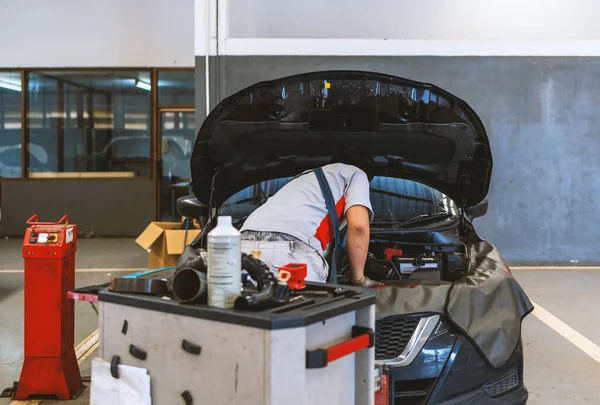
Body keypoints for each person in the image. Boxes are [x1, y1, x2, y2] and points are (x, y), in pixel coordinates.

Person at [239, 150, 381, 287]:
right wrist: (359, 280)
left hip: (240, 247)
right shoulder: (355, 173)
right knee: (297, 309)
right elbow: (358, 227)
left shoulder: (306, 177)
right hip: (288, 253)